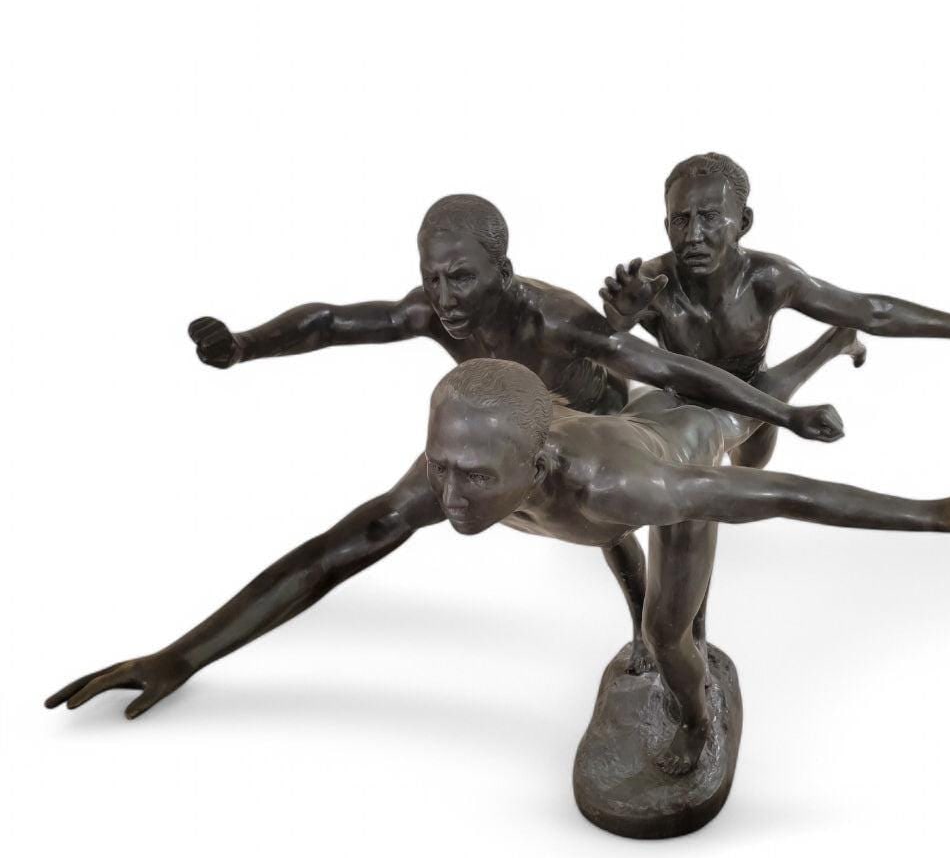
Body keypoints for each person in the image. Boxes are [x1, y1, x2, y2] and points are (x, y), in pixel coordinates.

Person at [46, 359, 950, 777]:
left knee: (670, 636)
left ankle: (697, 728)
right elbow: (330, 554)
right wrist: (179, 657)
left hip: (685, 464)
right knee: (619, 551)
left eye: (474, 478)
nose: (448, 496)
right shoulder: (456, 468)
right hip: (626, 439)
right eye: (442, 466)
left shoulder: (621, 487)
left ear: (539, 458)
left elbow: (777, 496)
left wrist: (929, 514)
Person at [188, 194, 854, 670]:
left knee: (625, 523)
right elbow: (330, 322)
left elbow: (674, 370)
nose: (445, 297)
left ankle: (659, 632)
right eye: (432, 278)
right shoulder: (430, 312)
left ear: (502, 273)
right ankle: (186, 656)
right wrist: (245, 345)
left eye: (461, 278)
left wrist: (786, 417)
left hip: (599, 422)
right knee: (390, 522)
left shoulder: (554, 321)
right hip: (505, 435)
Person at [600, 152, 950, 468]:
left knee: (750, 466)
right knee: (690, 461)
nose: (693, 234)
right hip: (683, 401)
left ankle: (836, 339)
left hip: (756, 395)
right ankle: (836, 341)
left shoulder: (768, 278)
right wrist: (621, 316)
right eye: (680, 219)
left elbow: (872, 311)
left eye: (710, 217)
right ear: (666, 225)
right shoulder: (651, 284)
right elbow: (609, 344)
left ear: (744, 222)